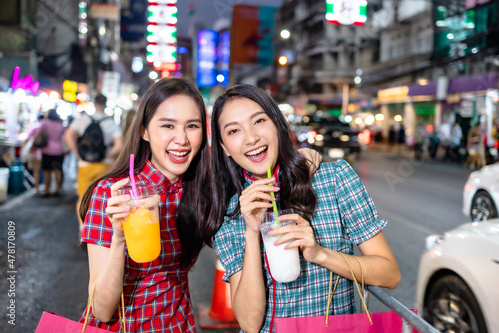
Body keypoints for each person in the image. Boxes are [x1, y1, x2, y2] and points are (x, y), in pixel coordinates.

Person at [77, 78, 321, 332]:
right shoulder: (113, 195)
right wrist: (119, 238)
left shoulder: (204, 190)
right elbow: (102, 310)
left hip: (177, 325)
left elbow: (257, 177)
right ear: (144, 131)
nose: (181, 139)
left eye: (192, 126)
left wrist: (303, 158)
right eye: (167, 125)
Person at [205, 84, 401, 333]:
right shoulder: (231, 213)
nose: (251, 138)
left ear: (277, 124)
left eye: (259, 121)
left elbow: (389, 274)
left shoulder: (334, 179)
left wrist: (319, 254)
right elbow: (249, 323)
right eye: (234, 130)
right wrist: (252, 233)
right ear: (224, 148)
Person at [65, 93, 123, 229]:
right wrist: (108, 154)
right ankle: (100, 228)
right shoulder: (111, 123)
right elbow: (119, 145)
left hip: (85, 164)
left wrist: (77, 153)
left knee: (83, 196)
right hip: (104, 165)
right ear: (105, 104)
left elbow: (68, 136)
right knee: (104, 198)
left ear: (94, 103)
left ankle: (82, 227)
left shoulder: (82, 119)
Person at [37, 109, 66, 196]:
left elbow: (38, 133)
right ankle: (57, 189)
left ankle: (47, 189)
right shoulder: (59, 125)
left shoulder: (45, 123)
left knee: (47, 171)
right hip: (58, 150)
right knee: (57, 170)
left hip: (46, 150)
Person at [23, 114, 45, 195]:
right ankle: (45, 187)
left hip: (35, 152)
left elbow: (28, 139)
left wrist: (23, 149)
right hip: (45, 152)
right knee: (46, 170)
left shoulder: (35, 127)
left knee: (36, 170)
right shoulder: (46, 127)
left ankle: (37, 187)